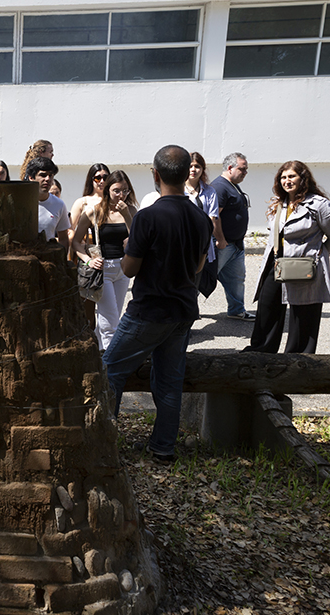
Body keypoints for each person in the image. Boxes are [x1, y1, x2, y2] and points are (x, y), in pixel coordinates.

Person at [102, 145, 213, 463]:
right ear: (187, 173)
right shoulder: (201, 218)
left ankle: (103, 442)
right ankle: (163, 447)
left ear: (155, 174)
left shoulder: (147, 217)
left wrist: (130, 247)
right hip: (183, 310)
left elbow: (129, 269)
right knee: (169, 381)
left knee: (109, 370)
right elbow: (198, 267)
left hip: (149, 310)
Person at [246, 161, 330, 354]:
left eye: (291, 176)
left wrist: (317, 255)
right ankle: (261, 352)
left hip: (303, 265)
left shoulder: (319, 205)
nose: (287, 181)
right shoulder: (278, 203)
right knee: (267, 306)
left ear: (303, 178)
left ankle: (298, 358)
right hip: (275, 263)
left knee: (304, 314)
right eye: (283, 177)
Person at [72, 170, 137, 351]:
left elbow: (137, 239)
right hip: (103, 269)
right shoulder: (94, 211)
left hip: (123, 268)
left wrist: (127, 216)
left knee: (114, 314)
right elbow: (76, 242)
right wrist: (88, 260)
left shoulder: (131, 211)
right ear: (108, 190)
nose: (121, 195)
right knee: (110, 319)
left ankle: (100, 352)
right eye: (117, 190)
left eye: (125, 190)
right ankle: (110, 358)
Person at [211, 152, 255, 321]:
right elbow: (214, 216)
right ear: (230, 168)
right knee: (204, 279)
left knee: (237, 279)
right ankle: (187, 312)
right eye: (242, 169)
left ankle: (236, 310)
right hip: (223, 245)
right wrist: (220, 239)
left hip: (235, 245)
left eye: (246, 169)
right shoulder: (220, 187)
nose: (245, 172)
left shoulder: (232, 185)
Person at [70, 163, 110, 329]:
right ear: (91, 180)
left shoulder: (113, 201)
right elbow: (71, 231)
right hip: (87, 254)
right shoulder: (82, 202)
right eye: (97, 178)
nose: (102, 181)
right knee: (87, 304)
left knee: (109, 308)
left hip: (110, 256)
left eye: (105, 177)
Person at [185, 152, 225, 298]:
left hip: (202, 245)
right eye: (190, 166)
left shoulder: (209, 191)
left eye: (197, 166)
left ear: (202, 169)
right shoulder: (178, 190)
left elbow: (212, 218)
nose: (193, 169)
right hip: (183, 245)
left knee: (195, 285)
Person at [25, 157, 70, 247]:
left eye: (51, 175)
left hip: (48, 254)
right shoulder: (20, 201)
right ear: (31, 177)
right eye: (43, 175)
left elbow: (64, 238)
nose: (47, 179)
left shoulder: (59, 204)